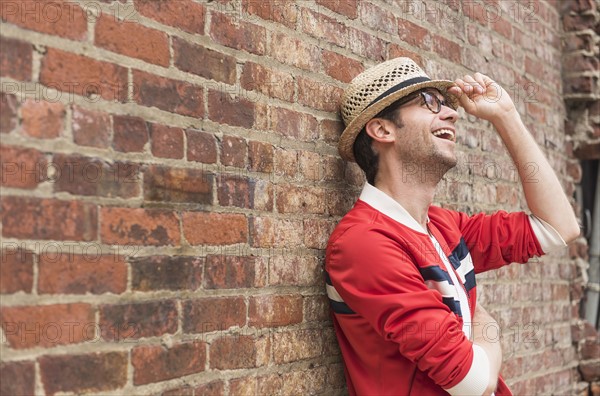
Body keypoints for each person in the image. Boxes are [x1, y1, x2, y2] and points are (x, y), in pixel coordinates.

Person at [325, 57, 580, 396]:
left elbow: (558, 227)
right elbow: (472, 381)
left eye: (445, 103)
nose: (451, 113)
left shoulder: (444, 226)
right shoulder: (363, 243)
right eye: (429, 102)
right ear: (382, 129)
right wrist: (485, 325)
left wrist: (506, 116)